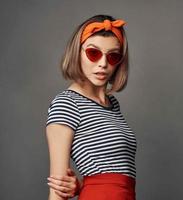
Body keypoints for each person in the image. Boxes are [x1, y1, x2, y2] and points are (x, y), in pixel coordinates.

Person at [45, 14, 137, 200]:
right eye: (93, 53)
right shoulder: (67, 103)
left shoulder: (112, 105)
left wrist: (80, 186)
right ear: (77, 52)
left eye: (112, 56)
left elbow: (109, 174)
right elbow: (58, 188)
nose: (102, 64)